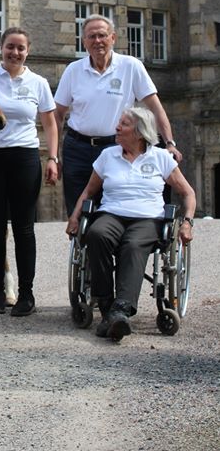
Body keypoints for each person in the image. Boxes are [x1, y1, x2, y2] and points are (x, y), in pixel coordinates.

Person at [66, 106, 195, 342]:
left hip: (148, 218)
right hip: (112, 214)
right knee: (97, 234)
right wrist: (75, 217)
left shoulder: (160, 158)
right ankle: (107, 308)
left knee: (134, 244)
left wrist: (187, 222)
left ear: (139, 132)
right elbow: (89, 191)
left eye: (124, 124)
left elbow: (188, 193)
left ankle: (121, 310)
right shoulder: (108, 156)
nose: (117, 127)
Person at [54, 14, 182, 216]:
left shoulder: (131, 66)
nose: (97, 41)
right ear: (84, 42)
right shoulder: (73, 70)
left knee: (113, 209)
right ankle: (81, 246)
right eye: (91, 36)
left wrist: (169, 143)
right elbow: (57, 115)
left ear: (113, 38)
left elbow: (155, 108)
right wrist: (54, 155)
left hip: (116, 148)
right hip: (77, 149)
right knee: (77, 212)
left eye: (102, 35)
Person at [0, 27, 59, 317]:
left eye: (20, 48)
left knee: (24, 229)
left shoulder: (38, 83)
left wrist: (53, 157)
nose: (15, 52)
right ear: (1, 48)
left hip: (24, 158)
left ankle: (26, 295)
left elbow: (49, 123)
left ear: (28, 51)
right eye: (10, 47)